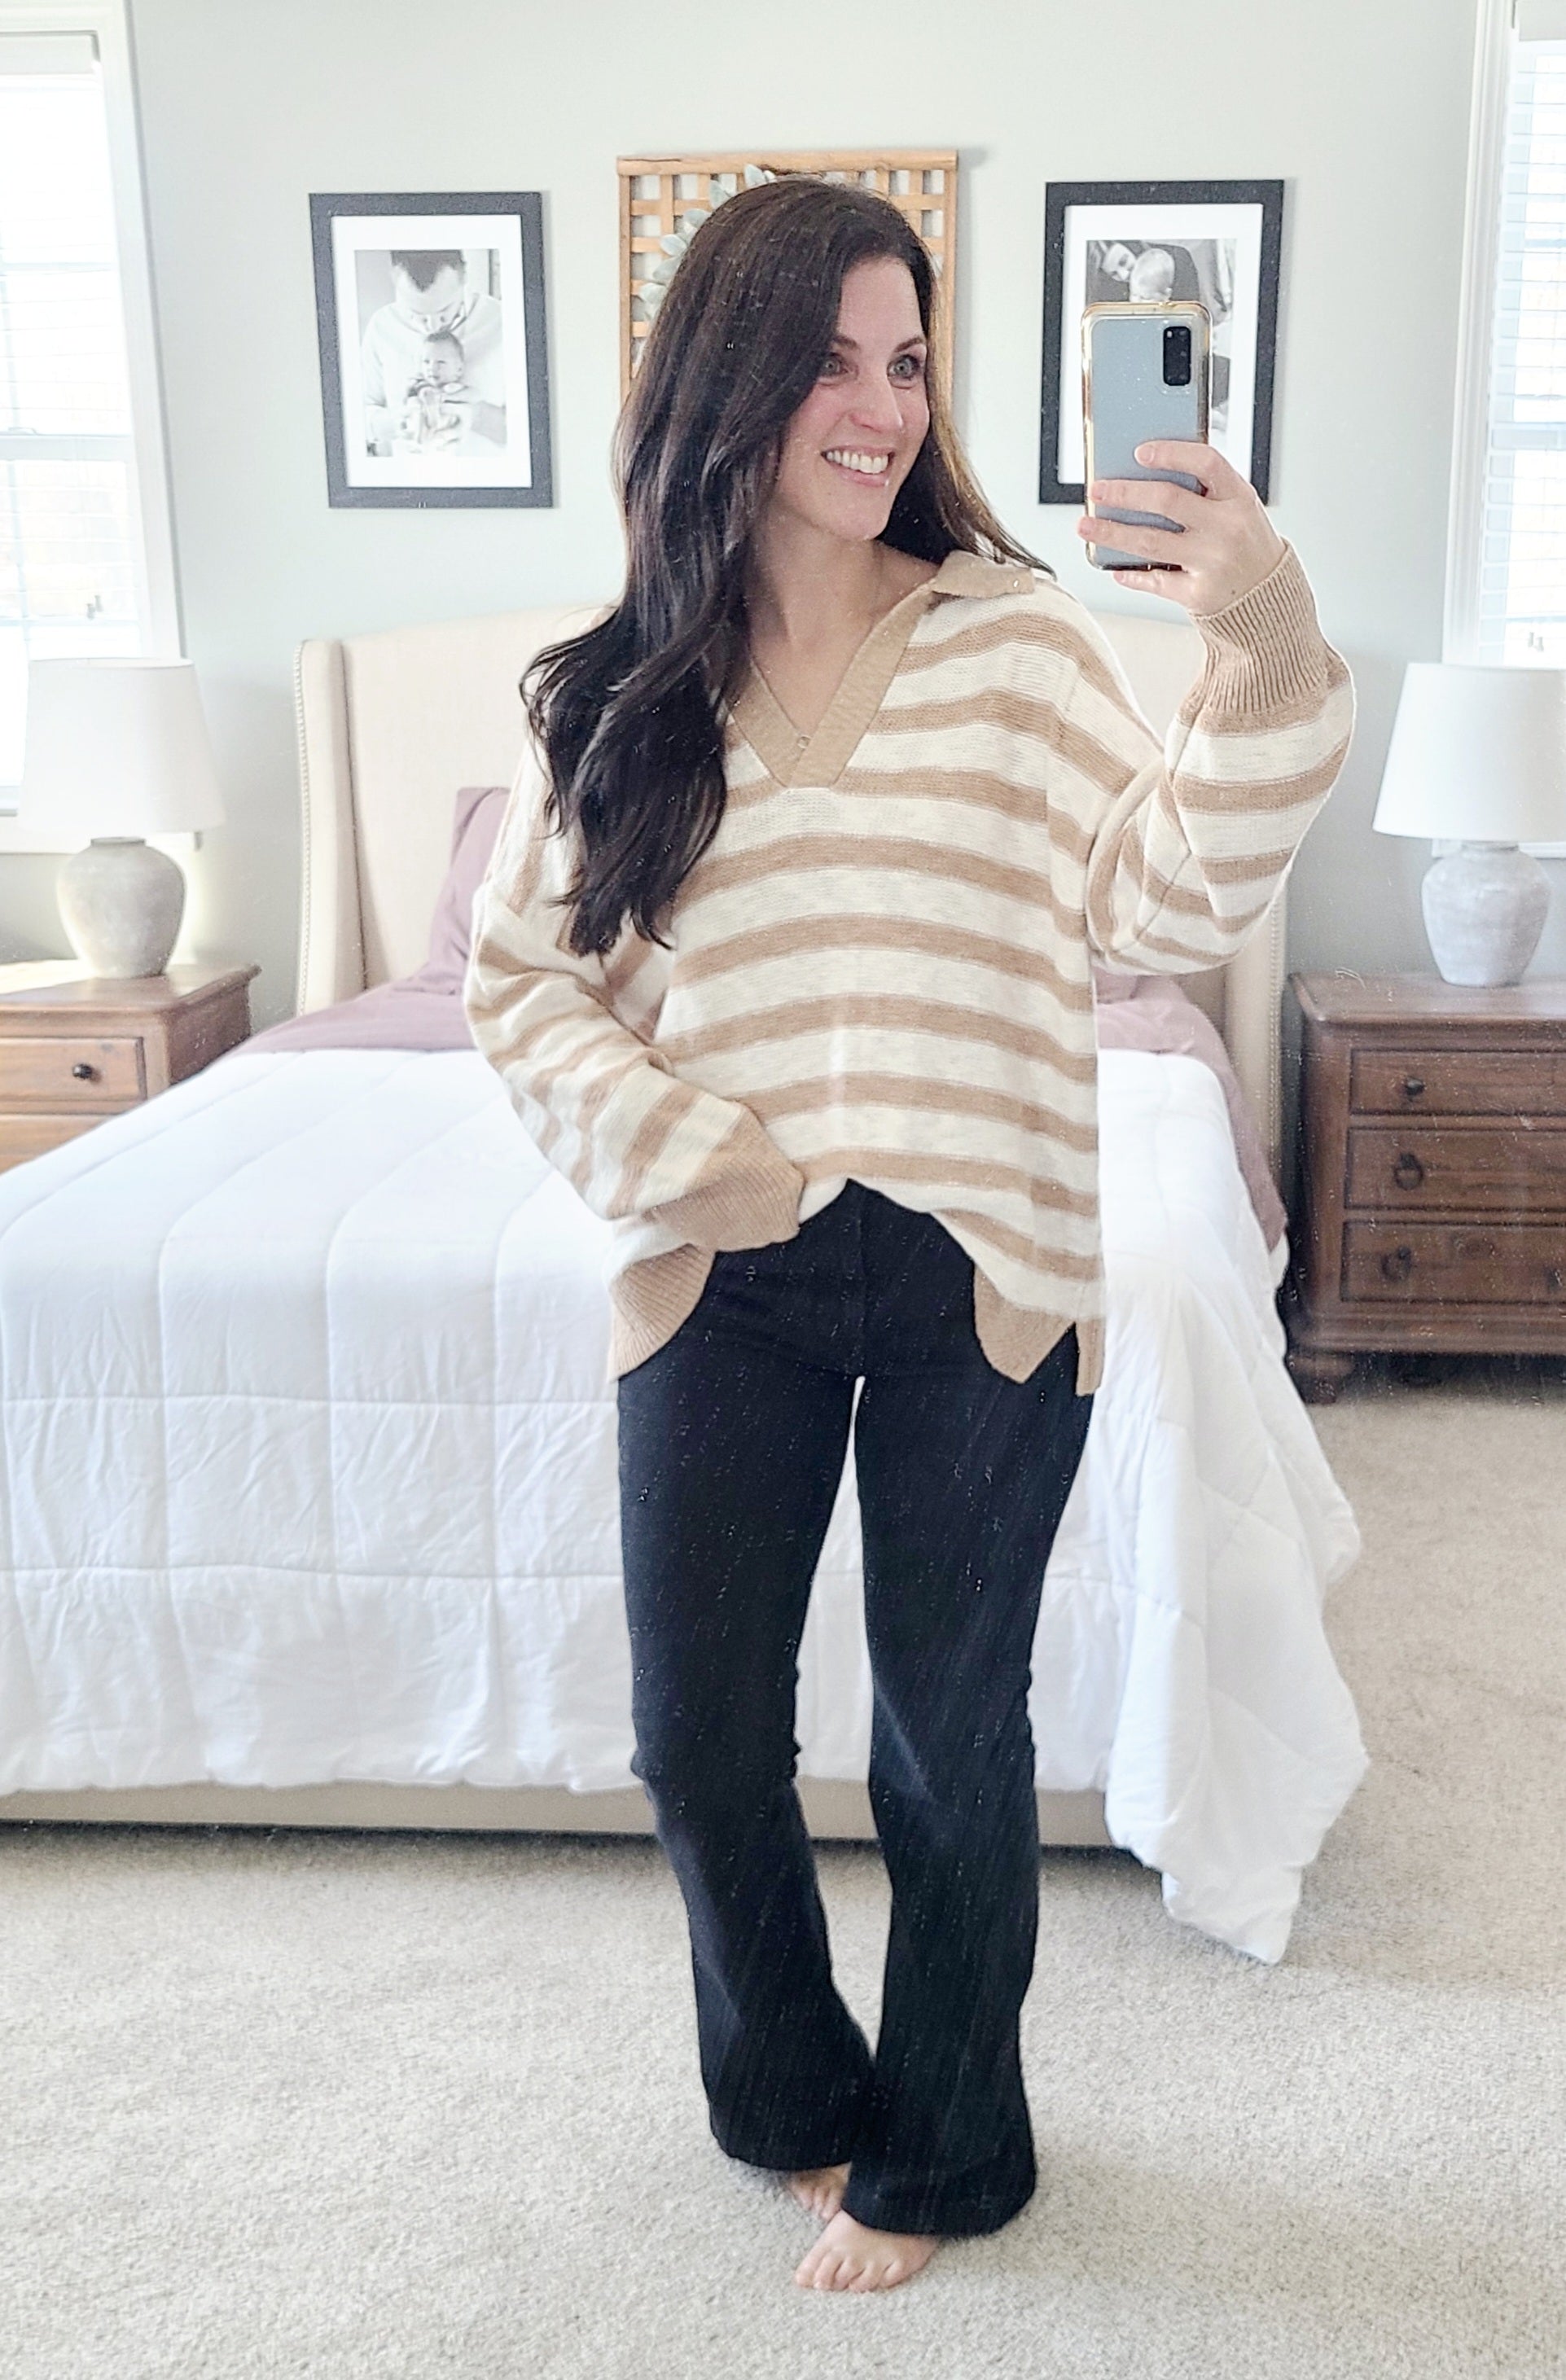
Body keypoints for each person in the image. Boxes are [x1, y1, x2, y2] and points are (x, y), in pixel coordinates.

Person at [464, 177, 1353, 2295]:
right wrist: (694, 1153)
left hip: (984, 1259)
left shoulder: (1014, 640)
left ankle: (946, 2151)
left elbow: (1162, 901)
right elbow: (523, 989)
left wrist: (1258, 630)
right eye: (833, 361)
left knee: (951, 1742)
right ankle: (789, 2097)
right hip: (721, 1260)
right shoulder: (616, 690)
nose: (880, 407)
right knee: (697, 1735)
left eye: (908, 360)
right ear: (728, 380)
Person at [359, 249, 505, 457]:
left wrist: (478, 416)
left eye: (445, 311)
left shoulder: (505, 321)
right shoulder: (381, 326)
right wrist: (398, 423)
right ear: (394, 279)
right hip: (406, 475)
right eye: (416, 313)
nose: (433, 327)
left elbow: (537, 426)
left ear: (464, 275)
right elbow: (357, 416)